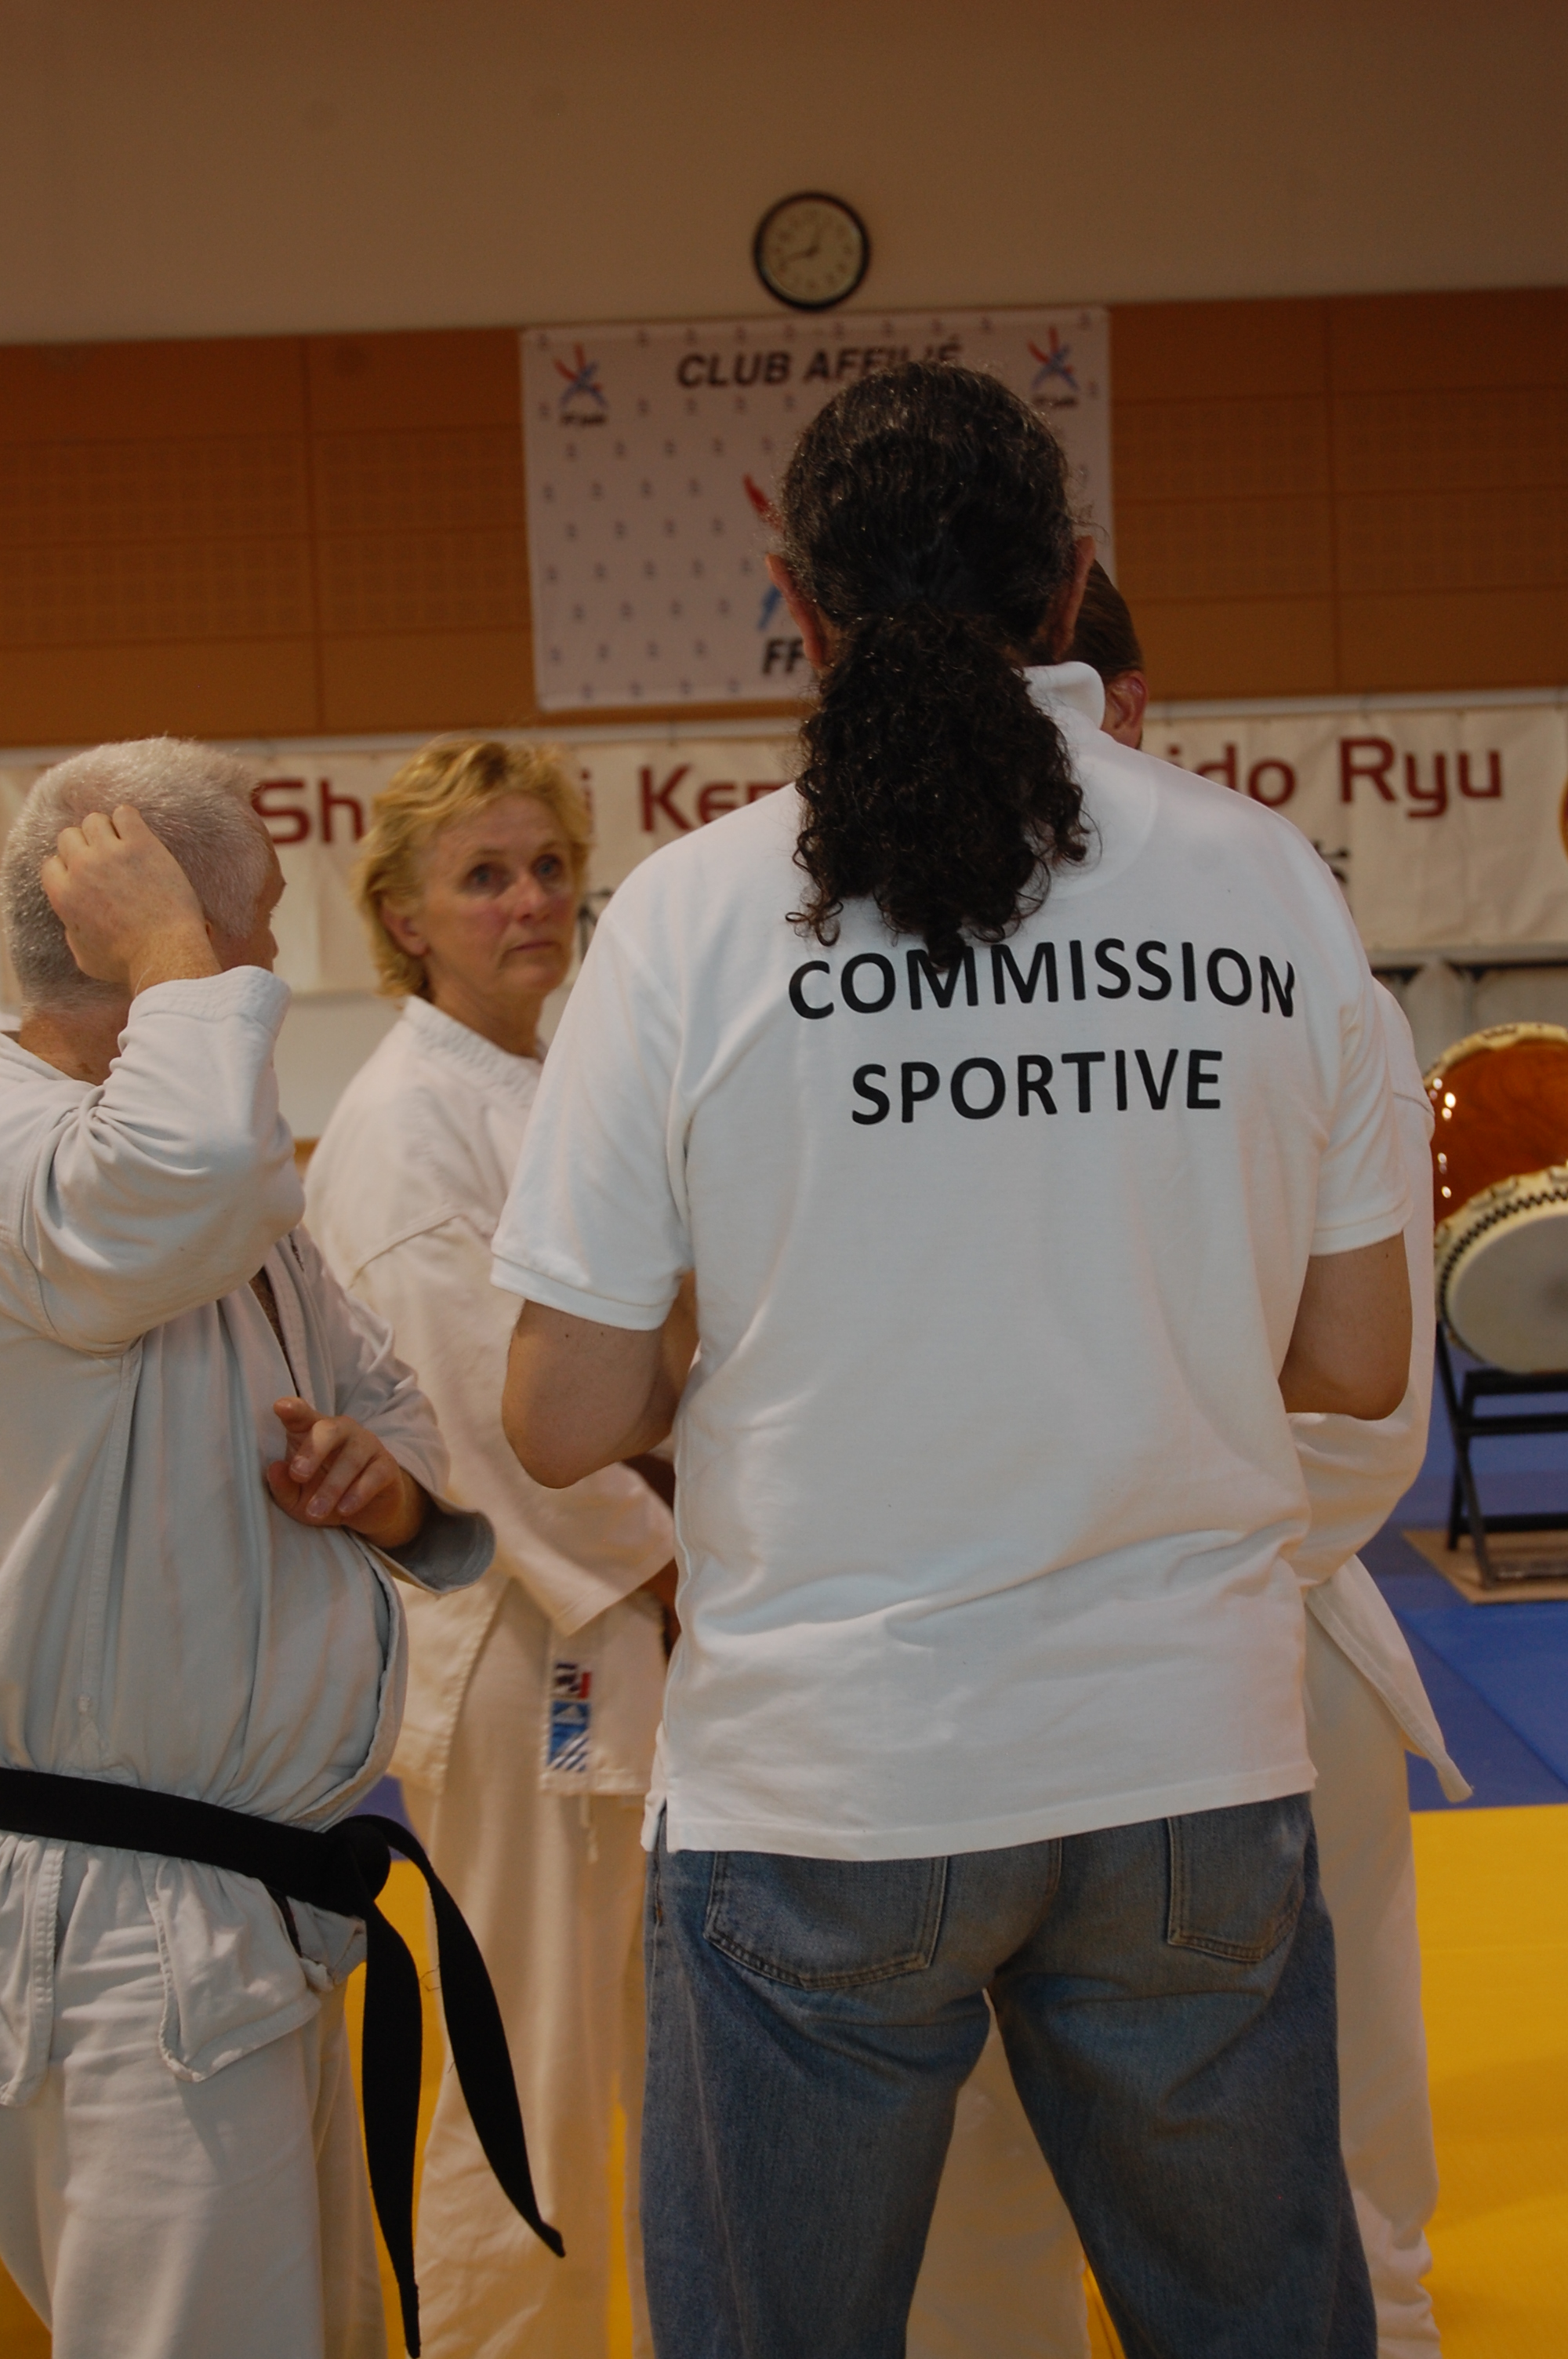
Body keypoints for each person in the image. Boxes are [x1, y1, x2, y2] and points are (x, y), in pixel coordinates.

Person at [496, 362, 1413, 2359]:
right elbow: (1356, 1359)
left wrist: (755, 1332)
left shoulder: (691, 916)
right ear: (1070, 583)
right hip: (1184, 1755)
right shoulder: (1264, 879)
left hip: (828, 1777)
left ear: (795, 606)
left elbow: (558, 1411)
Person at [907, 569, 1463, 2359]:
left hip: (1248, 1641)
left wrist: (1149, 1550)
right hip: (968, 1667)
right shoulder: (866, 970)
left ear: (1125, 711)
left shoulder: (1282, 947)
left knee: (1314, 2180)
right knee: (978, 2196)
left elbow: (1365, 1406)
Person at [0, 740, 495, 2359]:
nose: (274, 952)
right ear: (147, 922)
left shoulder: (216, 1184)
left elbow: (396, 1408)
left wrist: (385, 1488)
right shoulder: (45, 1148)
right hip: (119, 1929)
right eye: (257, 915)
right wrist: (169, 955)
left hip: (252, 1914)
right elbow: (184, 1175)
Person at [305, 739, 677, 2359]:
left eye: (546, 867)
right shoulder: (408, 1123)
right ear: (403, 918)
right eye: (483, 876)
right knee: (521, 2062)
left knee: (645, 2049)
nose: (530, 901)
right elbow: (484, 1424)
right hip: (529, 1639)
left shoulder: (551, 1079)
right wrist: (681, 1570)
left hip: (609, 1616)